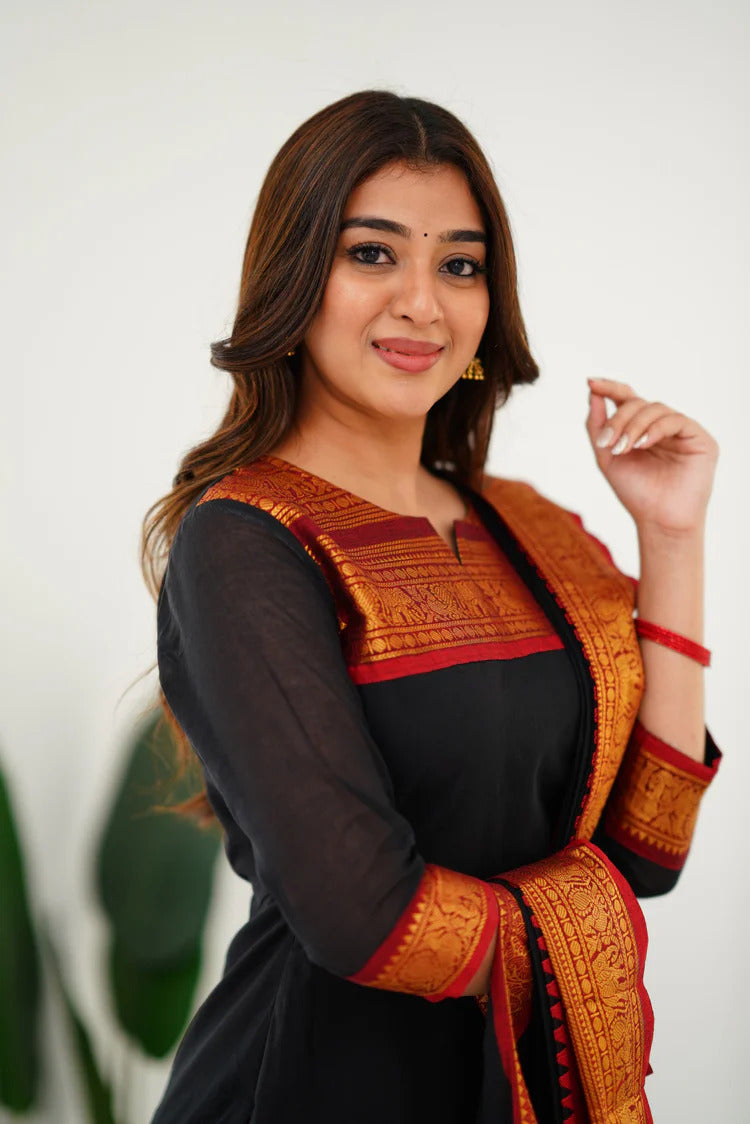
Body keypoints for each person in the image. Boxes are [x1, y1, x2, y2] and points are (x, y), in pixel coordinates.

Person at [141, 89, 721, 1124]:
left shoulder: (529, 526)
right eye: (373, 254)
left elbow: (646, 846)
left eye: (460, 265)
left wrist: (672, 538)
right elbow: (366, 916)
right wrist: (580, 932)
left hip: (528, 1084)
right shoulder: (245, 539)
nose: (423, 303)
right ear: (294, 279)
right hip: (310, 1085)